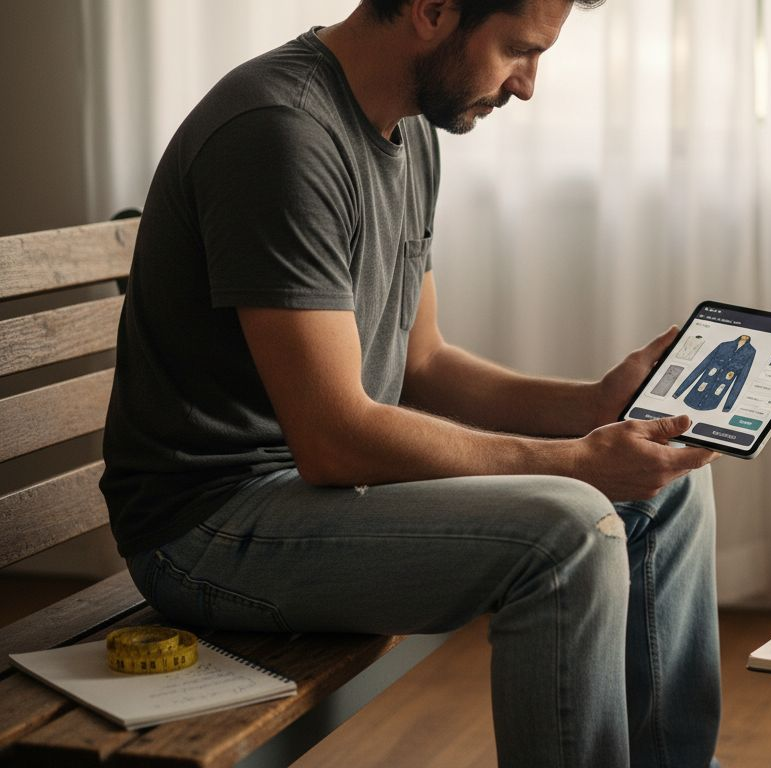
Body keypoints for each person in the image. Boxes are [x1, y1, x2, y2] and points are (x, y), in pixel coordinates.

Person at [99, 1, 722, 765]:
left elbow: (421, 364)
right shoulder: (279, 133)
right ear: (432, 12)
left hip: (308, 493)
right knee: (571, 534)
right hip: (207, 527)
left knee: (668, 486)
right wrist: (575, 462)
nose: (527, 85)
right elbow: (333, 440)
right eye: (518, 50)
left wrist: (593, 408)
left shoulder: (412, 127)